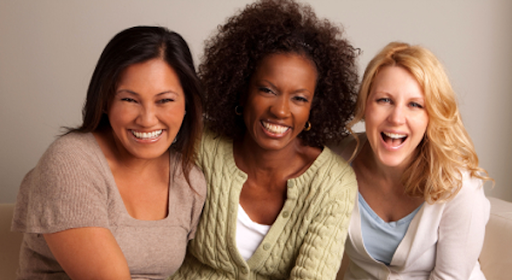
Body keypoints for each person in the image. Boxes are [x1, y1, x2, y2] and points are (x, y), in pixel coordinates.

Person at [170, 0, 359, 279]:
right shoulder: (201, 148)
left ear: (313, 108)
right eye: (268, 90)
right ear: (242, 90)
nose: (280, 111)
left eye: (299, 98)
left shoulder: (332, 184)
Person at [11, 26, 206, 279]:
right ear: (105, 101)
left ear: (187, 104)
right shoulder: (71, 162)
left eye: (164, 100)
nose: (147, 120)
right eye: (129, 100)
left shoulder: (189, 179)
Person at [333, 42, 493, 280]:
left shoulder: (460, 186)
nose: (397, 118)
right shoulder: (334, 161)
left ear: (432, 116)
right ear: (365, 105)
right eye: (384, 100)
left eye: (415, 105)